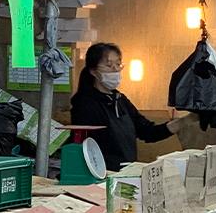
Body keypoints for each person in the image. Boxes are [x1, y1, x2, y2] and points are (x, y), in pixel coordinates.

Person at [70, 43, 183, 171]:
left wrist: (185, 121)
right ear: (93, 71)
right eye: (108, 65)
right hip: (99, 173)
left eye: (118, 64)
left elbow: (147, 131)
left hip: (125, 171)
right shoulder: (85, 103)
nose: (115, 69)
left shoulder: (120, 100)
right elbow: (86, 144)